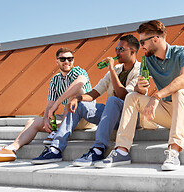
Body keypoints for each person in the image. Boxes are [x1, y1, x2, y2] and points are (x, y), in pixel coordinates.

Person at [94, 20, 184, 171]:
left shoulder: (183, 52)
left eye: (142, 42)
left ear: (155, 39)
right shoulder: (147, 60)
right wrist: (140, 89)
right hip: (167, 112)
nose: (141, 47)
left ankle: (173, 152)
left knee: (179, 92)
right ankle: (122, 151)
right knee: (131, 96)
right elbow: (140, 93)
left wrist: (157, 96)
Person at [31, 35, 141, 166]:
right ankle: (55, 148)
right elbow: (94, 93)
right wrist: (77, 99)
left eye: (121, 49)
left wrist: (111, 69)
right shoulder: (117, 70)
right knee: (79, 104)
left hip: (130, 118)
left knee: (112, 100)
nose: (117, 52)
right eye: (116, 48)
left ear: (132, 51)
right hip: (111, 114)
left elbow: (123, 95)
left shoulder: (140, 70)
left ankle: (98, 150)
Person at [0, 48, 93, 163]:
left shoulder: (80, 71)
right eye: (63, 59)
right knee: (32, 121)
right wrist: (46, 119)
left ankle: (57, 135)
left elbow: (79, 84)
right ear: (57, 61)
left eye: (70, 59)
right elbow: (50, 105)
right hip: (68, 118)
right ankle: (11, 149)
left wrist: (57, 104)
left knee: (75, 94)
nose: (67, 62)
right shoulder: (55, 80)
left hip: (86, 118)